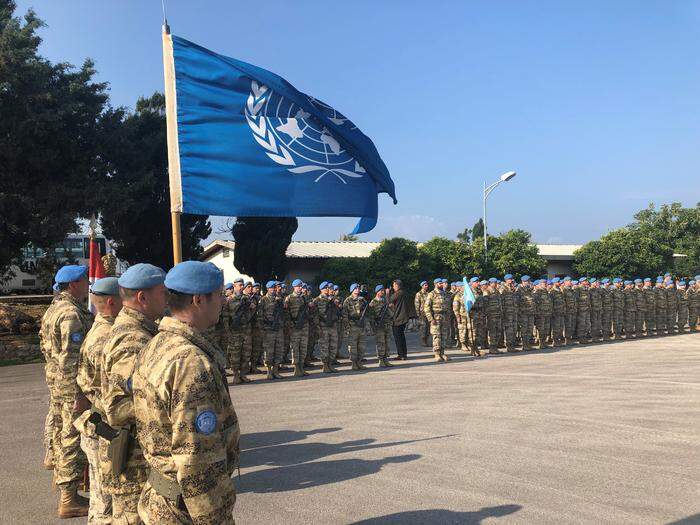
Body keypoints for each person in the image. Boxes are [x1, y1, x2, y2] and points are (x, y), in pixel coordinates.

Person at [133, 261, 240, 525]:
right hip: (184, 510)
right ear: (198, 300)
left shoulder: (157, 343)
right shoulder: (191, 362)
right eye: (219, 295)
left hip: (162, 497)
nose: (223, 302)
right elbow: (197, 458)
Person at [101, 263, 168, 524]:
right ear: (143, 298)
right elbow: (119, 407)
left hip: (139, 452)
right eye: (163, 293)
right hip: (134, 457)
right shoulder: (133, 339)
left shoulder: (140, 331)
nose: (168, 299)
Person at [40, 264, 93, 518]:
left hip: (58, 382)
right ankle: (68, 499)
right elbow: (72, 359)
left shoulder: (54, 309)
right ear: (73, 285)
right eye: (84, 279)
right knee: (71, 439)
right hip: (71, 386)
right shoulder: (71, 314)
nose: (88, 283)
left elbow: (47, 349)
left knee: (63, 435)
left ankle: (63, 483)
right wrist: (79, 394)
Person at [75, 277, 122, 524]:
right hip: (103, 426)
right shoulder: (107, 336)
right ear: (114, 302)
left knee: (100, 497)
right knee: (107, 503)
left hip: (96, 423)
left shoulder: (101, 328)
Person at [284, 279, 311, 377]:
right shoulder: (289, 298)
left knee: (303, 348)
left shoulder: (304, 298)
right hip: (294, 327)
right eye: (299, 286)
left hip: (304, 326)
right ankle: (296, 368)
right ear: (294, 287)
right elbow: (286, 314)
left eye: (301, 286)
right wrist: (290, 326)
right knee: (295, 348)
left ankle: (301, 367)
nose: (300, 288)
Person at [258, 281, 285, 379]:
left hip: (278, 329)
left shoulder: (279, 300)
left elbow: (283, 314)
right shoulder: (263, 300)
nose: (273, 289)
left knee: (278, 350)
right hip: (268, 329)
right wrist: (262, 329)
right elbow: (260, 316)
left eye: (275, 288)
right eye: (271, 288)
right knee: (269, 351)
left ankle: (276, 370)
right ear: (268, 289)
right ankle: (269, 371)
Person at [313, 282, 339, 373]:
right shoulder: (317, 300)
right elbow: (315, 315)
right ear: (322, 289)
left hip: (333, 326)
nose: (328, 289)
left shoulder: (333, 300)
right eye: (326, 288)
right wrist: (317, 327)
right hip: (323, 327)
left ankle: (330, 364)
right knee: (324, 347)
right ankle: (325, 365)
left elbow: (337, 312)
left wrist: (335, 304)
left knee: (333, 346)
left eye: (329, 288)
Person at [343, 283, 369, 370]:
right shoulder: (348, 300)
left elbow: (366, 312)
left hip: (361, 325)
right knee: (353, 346)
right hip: (352, 325)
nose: (357, 289)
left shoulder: (362, 300)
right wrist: (347, 327)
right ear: (352, 290)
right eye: (355, 288)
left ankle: (359, 362)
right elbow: (345, 315)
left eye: (358, 288)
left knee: (362, 346)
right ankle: (354, 363)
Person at [424, 278, 450, 362]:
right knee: (436, 336)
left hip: (444, 317)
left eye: (442, 283)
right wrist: (431, 319)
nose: (442, 284)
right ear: (435, 284)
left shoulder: (445, 293)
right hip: (436, 317)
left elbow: (448, 306)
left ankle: (442, 352)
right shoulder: (432, 294)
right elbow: (426, 307)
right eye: (440, 283)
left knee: (444, 335)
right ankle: (437, 354)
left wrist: (448, 316)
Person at [370, 284, 394, 368]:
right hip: (379, 326)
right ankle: (381, 360)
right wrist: (374, 326)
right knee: (381, 343)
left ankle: (386, 359)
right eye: (381, 291)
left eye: (383, 291)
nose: (382, 292)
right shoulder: (373, 302)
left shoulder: (384, 301)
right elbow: (371, 316)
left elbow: (390, 313)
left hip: (386, 325)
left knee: (387, 342)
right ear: (377, 292)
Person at [389, 279, 410, 360]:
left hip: (398, 318)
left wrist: (387, 293)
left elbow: (389, 301)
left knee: (398, 337)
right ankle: (404, 354)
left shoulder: (398, 293)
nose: (393, 287)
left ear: (398, 285)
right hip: (403, 317)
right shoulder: (404, 293)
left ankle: (401, 355)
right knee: (402, 336)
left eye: (394, 285)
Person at [414, 281, 430, 347]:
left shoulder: (428, 293)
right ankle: (423, 340)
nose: (427, 286)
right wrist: (418, 314)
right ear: (422, 286)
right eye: (425, 285)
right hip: (422, 313)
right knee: (423, 327)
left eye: (427, 285)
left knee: (428, 328)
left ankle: (426, 340)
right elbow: (417, 304)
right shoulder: (419, 294)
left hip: (428, 313)